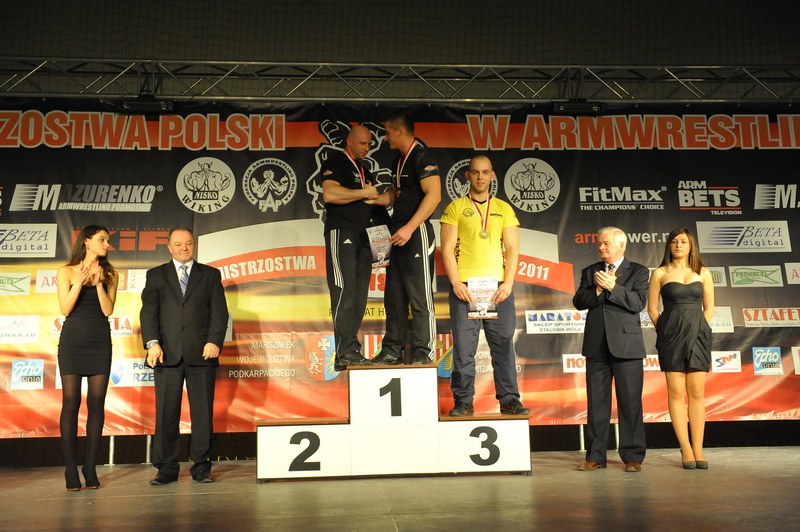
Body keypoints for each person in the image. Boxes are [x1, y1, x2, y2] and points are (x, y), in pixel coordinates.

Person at [440, 155, 530, 416]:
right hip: (465, 288)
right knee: (464, 350)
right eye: (476, 172)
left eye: (485, 172)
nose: (480, 177)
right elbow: (447, 248)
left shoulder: (503, 208)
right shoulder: (455, 207)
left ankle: (509, 399)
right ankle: (463, 401)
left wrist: (508, 283)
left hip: (498, 288)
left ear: (492, 176)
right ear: (467, 175)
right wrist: (455, 282)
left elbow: (512, 248)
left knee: (503, 346)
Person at [140, 226, 229, 485]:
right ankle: (166, 468)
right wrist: (152, 344)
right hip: (166, 354)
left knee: (202, 413)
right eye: (178, 244)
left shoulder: (210, 274)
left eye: (188, 243)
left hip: (202, 353)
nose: (183, 248)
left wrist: (214, 341)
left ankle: (201, 466)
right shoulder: (155, 275)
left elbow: (220, 312)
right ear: (169, 247)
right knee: (166, 413)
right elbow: (148, 312)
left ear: (194, 245)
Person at [573, 226, 648, 472]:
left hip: (627, 347)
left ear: (621, 245)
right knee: (596, 404)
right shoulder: (590, 271)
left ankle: (633, 456)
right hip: (596, 347)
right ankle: (596, 456)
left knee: (630, 403)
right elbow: (578, 302)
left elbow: (638, 303)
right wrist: (597, 289)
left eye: (606, 243)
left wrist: (613, 288)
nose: (601, 247)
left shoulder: (638, 271)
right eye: (599, 243)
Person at [320, 124, 394, 371]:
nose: (367, 147)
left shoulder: (365, 170)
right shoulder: (336, 161)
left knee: (359, 294)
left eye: (370, 144)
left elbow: (374, 200)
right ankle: (345, 350)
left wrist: (390, 197)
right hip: (342, 231)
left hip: (365, 237)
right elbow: (330, 194)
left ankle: (348, 351)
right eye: (363, 143)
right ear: (349, 141)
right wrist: (363, 192)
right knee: (344, 290)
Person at [372, 114, 441, 365]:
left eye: (388, 132)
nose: (385, 137)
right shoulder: (398, 161)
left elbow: (434, 195)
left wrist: (411, 228)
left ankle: (424, 351)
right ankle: (392, 350)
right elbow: (394, 195)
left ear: (400, 131)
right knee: (394, 296)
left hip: (416, 231)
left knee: (420, 295)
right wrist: (369, 197)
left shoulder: (422, 157)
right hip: (398, 230)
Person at [56, 224, 118, 490]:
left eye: (107, 240)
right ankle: (70, 468)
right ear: (87, 242)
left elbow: (107, 311)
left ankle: (90, 467)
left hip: (99, 342)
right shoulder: (66, 271)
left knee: (96, 403)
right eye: (102, 239)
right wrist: (80, 282)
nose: (107, 245)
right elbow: (65, 308)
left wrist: (99, 282)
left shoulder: (111, 274)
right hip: (73, 342)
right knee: (71, 402)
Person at [647, 227, 714, 470]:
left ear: (690, 245)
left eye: (683, 242)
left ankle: (698, 449)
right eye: (674, 241)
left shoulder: (703, 272)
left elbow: (709, 308)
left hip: (698, 335)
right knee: (676, 392)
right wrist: (665, 331)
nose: (678, 245)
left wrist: (701, 329)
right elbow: (652, 309)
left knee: (696, 392)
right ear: (669, 245)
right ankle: (685, 448)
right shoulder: (659, 273)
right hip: (671, 337)